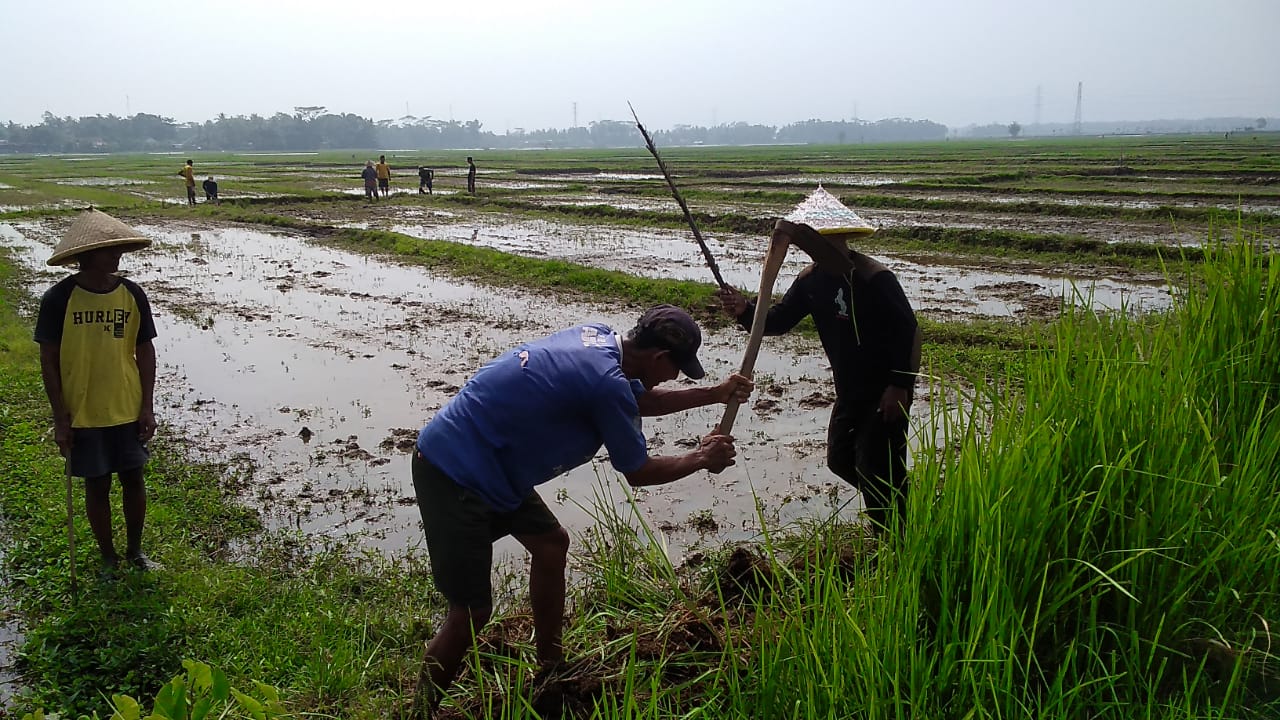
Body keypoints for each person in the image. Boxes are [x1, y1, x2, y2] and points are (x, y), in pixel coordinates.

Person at [411, 305, 752, 716]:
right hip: (456, 470)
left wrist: (714, 395)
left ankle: (551, 665)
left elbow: (636, 400)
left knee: (551, 545)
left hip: (496, 463)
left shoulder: (598, 339)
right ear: (659, 357)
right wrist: (700, 458)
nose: (673, 378)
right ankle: (419, 710)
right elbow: (639, 471)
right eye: (675, 368)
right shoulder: (604, 382)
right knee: (471, 611)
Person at [716, 233, 921, 535]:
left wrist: (900, 384)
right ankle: (897, 510)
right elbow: (778, 320)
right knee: (840, 460)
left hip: (885, 390)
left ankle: (896, 535)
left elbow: (907, 328)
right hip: (849, 389)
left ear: (841, 239)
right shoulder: (811, 279)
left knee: (876, 466)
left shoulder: (872, 276)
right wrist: (745, 310)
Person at [34, 209, 160, 578]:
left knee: (134, 479)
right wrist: (60, 418)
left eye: (119, 249)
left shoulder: (132, 294)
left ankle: (135, 551)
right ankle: (108, 557)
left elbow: (145, 350)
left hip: (126, 404)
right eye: (109, 250)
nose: (117, 256)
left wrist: (146, 406)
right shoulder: (59, 299)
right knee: (97, 484)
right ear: (86, 255)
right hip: (83, 410)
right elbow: (49, 361)